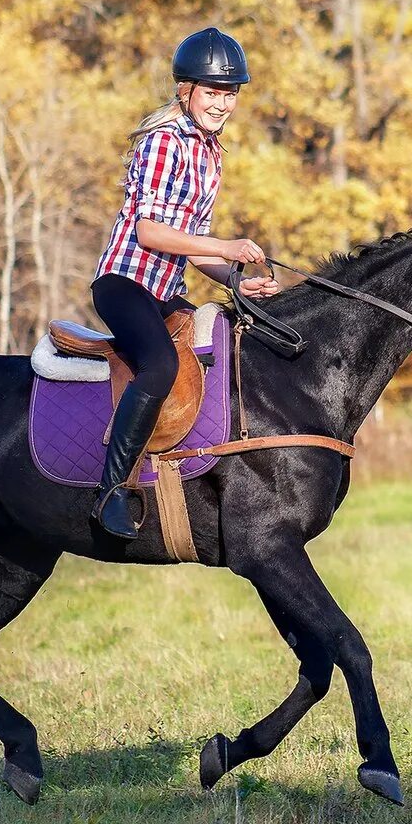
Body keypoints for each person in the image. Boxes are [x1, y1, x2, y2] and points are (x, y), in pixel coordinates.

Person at [90, 27, 279, 540]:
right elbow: (150, 231)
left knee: (218, 352)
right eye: (212, 92)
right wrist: (227, 246)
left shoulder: (212, 154)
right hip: (126, 283)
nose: (221, 103)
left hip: (167, 289)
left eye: (229, 93)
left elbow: (193, 244)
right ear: (185, 91)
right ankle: (110, 492)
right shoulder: (162, 142)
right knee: (159, 364)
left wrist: (238, 283)